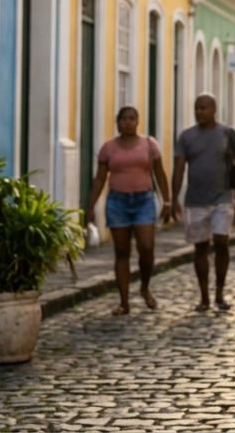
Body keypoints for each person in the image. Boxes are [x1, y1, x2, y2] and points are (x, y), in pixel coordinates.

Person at [85, 106, 171, 316]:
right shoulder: (109, 148)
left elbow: (159, 174)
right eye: (123, 119)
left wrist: (167, 202)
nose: (127, 122)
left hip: (144, 200)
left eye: (132, 118)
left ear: (138, 121)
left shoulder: (149, 145)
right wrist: (90, 206)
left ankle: (144, 286)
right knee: (121, 252)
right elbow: (99, 179)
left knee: (147, 246)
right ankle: (124, 301)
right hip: (118, 202)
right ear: (117, 122)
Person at [171, 94, 235, 312]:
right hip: (195, 200)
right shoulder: (187, 137)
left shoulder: (227, 134)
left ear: (214, 109)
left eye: (203, 108)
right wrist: (173, 198)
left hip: (222, 197)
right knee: (201, 247)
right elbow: (179, 168)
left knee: (222, 242)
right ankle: (204, 297)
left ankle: (220, 294)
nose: (199, 112)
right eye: (196, 108)